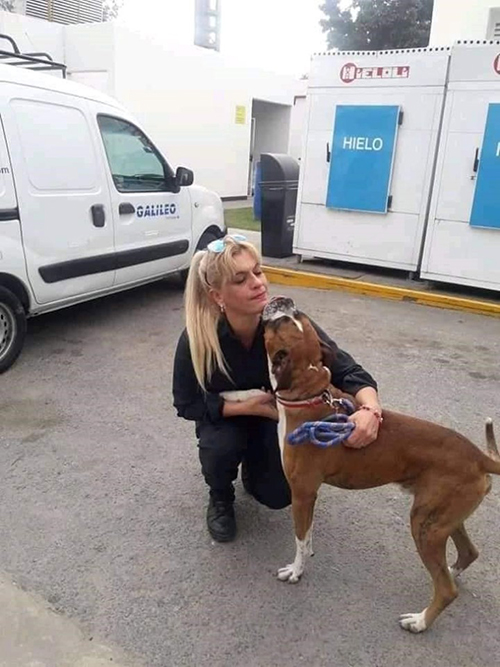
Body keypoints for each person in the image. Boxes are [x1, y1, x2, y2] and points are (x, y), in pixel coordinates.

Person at [172, 235, 382, 543]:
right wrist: (246, 407)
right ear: (218, 295)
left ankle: (254, 467)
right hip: (227, 420)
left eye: (258, 271)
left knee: (277, 496)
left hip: (276, 423)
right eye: (241, 279)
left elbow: (347, 369)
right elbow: (186, 403)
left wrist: (370, 409)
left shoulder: (287, 325)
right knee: (220, 450)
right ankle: (220, 495)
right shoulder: (198, 339)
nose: (258, 283)